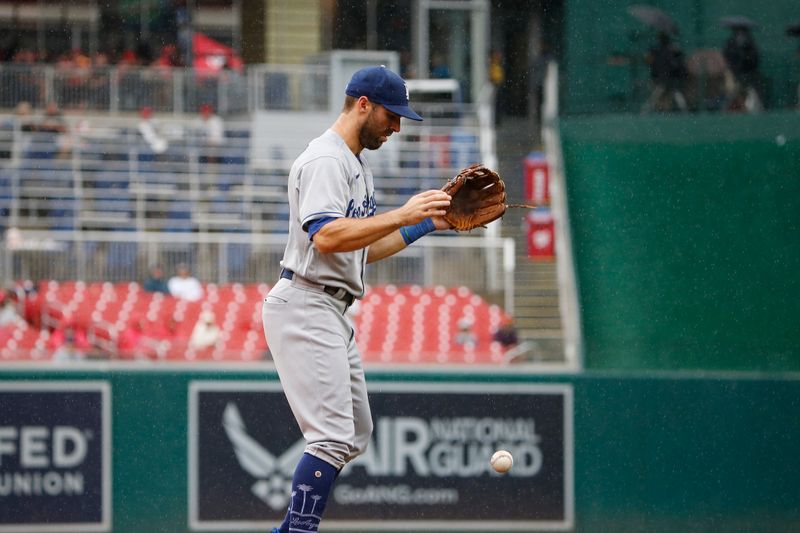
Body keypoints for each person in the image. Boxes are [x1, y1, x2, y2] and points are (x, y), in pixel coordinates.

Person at [262, 65, 451, 533]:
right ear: (362, 104)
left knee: (355, 435)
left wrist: (425, 223)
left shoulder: (355, 166)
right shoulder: (327, 159)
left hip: (328, 305)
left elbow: (362, 247)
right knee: (329, 438)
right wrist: (401, 212)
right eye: (392, 114)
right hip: (306, 301)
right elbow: (326, 236)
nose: (397, 126)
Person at [642, 31, 688, 113]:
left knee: (660, 93)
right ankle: (683, 109)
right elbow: (679, 61)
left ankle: (647, 109)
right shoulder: (671, 50)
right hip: (670, 76)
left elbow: (648, 59)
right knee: (673, 92)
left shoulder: (658, 50)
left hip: (663, 76)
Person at [723, 25, 762, 112]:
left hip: (749, 74)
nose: (740, 34)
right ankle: (728, 110)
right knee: (732, 94)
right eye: (737, 31)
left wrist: (745, 52)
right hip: (735, 74)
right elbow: (727, 56)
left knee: (751, 95)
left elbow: (754, 60)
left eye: (742, 31)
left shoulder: (750, 44)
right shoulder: (731, 43)